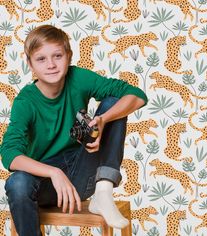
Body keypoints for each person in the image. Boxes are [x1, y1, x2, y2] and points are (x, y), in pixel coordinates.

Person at [0, 25, 147, 236]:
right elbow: (9, 154)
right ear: (29, 64)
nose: (51, 65)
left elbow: (136, 95)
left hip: (83, 174)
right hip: (45, 186)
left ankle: (103, 191)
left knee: (113, 102)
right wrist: (54, 172)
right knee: (17, 182)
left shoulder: (78, 78)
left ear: (68, 56)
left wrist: (103, 119)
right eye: (41, 59)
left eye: (57, 56)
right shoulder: (25, 101)